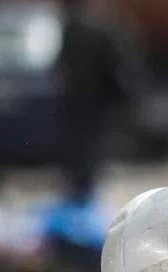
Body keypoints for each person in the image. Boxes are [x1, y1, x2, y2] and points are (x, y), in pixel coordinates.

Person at [56, 0, 139, 202]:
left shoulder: (80, 27)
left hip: (85, 101)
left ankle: (82, 192)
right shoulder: (95, 26)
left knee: (83, 152)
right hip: (89, 102)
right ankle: (83, 192)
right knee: (87, 152)